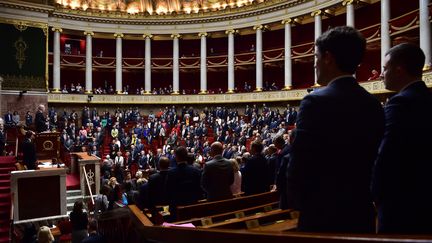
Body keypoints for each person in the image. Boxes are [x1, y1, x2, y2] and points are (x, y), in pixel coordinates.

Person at [287, 26, 384, 233]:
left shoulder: (314, 101)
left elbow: (300, 164)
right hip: (361, 214)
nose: (315, 63)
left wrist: (302, 204)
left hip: (321, 215)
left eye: (316, 56)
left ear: (328, 58)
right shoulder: (373, 104)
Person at [372, 43, 432, 234]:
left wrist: (375, 194)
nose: (382, 74)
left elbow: (387, 154)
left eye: (385, 68)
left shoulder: (400, 103)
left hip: (401, 203)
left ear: (398, 70)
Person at [166, 146, 203, 220]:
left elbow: (167, 191)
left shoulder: (171, 173)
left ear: (176, 157)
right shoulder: (196, 171)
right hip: (193, 206)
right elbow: (200, 189)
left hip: (176, 208)